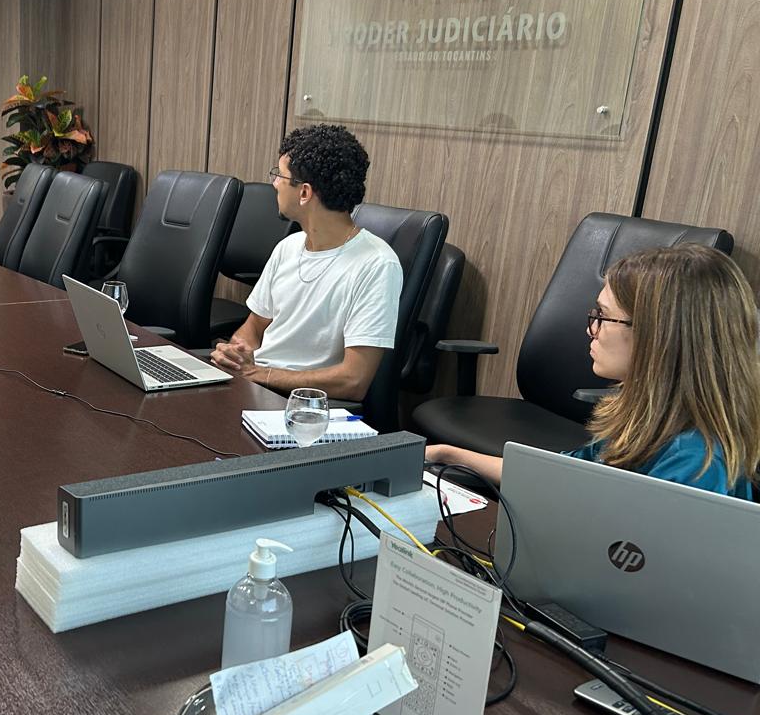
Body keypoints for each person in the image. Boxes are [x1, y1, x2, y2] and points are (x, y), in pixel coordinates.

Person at [426, 245, 760, 498]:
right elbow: (560, 472)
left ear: (658, 336)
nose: (591, 330)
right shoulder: (643, 422)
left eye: (603, 316)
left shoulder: (695, 463)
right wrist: (448, 454)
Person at [210, 124, 402, 400]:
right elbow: (253, 329)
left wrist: (259, 374)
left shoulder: (377, 264)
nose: (274, 183)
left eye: (280, 175)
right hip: (255, 388)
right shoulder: (288, 247)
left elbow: (354, 380)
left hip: (303, 407)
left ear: (305, 193)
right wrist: (235, 354)